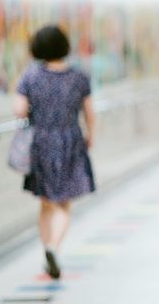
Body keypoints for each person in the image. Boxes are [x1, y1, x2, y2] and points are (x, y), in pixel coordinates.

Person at [13, 24, 96, 280]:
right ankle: (53, 248)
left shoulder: (31, 77)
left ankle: (47, 251)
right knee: (64, 202)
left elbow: (19, 110)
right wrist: (90, 136)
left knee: (46, 202)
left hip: (40, 141)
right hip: (70, 139)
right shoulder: (79, 77)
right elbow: (89, 113)